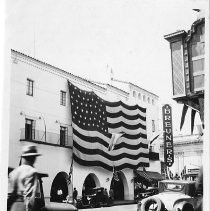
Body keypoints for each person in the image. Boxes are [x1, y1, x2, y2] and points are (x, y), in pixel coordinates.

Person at [7, 145, 41, 211]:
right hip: (24, 206)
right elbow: (29, 196)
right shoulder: (32, 171)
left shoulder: (14, 172)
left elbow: (10, 194)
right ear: (33, 158)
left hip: (14, 206)